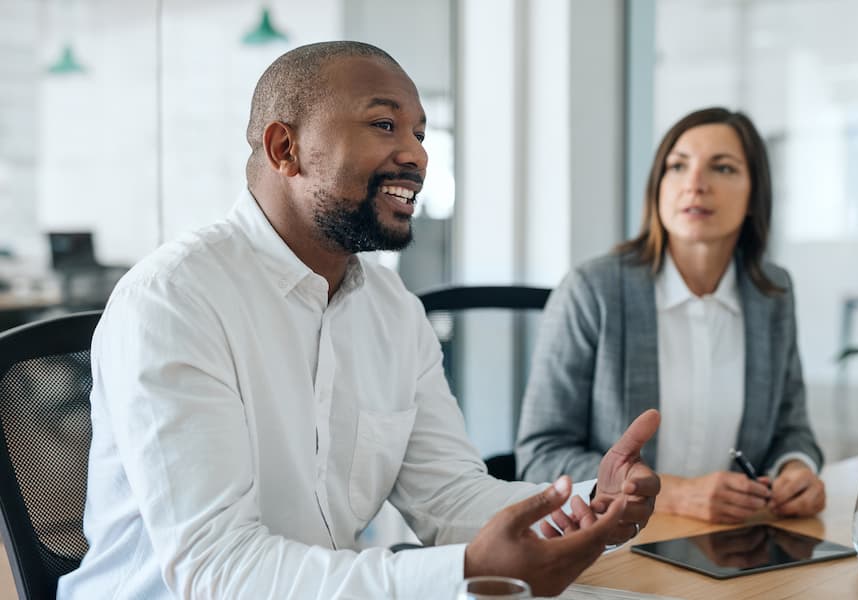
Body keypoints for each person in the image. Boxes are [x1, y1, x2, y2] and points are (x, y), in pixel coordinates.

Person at [57, 42, 661, 600]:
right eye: (384, 124)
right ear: (284, 149)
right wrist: (466, 571)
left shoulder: (394, 312)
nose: (417, 154)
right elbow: (219, 572)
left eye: (420, 133)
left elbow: (448, 497)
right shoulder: (175, 300)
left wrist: (591, 502)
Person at [516, 107, 826, 525]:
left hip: (731, 544)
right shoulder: (593, 290)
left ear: (755, 195)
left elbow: (792, 429)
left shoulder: (772, 293)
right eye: (678, 166)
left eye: (722, 167)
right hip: (614, 544)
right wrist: (674, 493)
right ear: (658, 187)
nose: (695, 184)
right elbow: (541, 454)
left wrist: (796, 468)